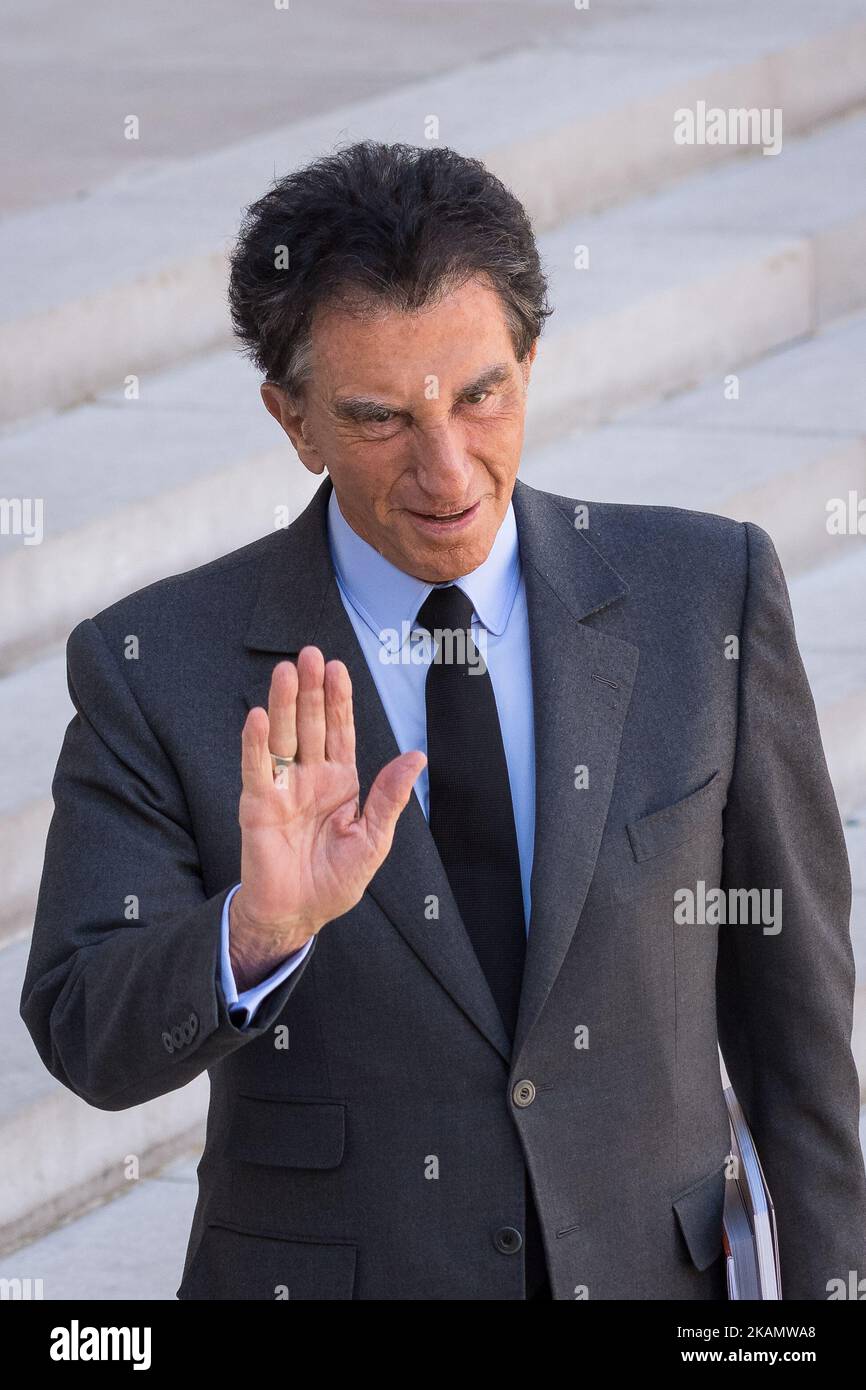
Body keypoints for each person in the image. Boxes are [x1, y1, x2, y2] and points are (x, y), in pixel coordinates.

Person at [21, 141, 866, 1300]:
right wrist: (253, 933)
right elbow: (83, 1031)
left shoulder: (703, 592)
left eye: (482, 396)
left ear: (530, 358)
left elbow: (799, 1041)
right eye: (379, 419)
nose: (448, 471)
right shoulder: (152, 664)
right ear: (292, 420)